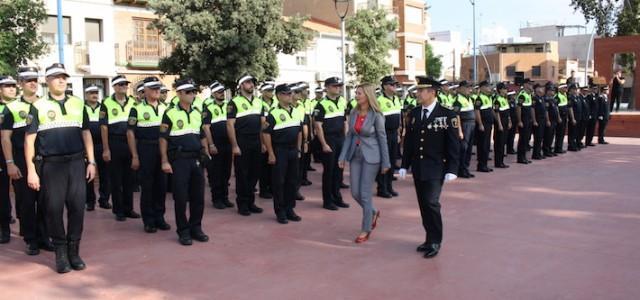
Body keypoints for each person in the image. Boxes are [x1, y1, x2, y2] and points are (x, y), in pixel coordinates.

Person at [25, 63, 96, 273]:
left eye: (64, 77)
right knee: (53, 209)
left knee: (77, 209)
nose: (61, 80)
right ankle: (61, 253)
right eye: (56, 77)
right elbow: (29, 141)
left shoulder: (77, 103)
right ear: (47, 82)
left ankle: (74, 251)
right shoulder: (38, 106)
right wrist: (31, 170)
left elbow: (86, 133)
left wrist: (91, 161)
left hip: (76, 163)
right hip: (52, 166)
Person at [399, 76, 460, 259]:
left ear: (432, 92)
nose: (417, 93)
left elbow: (453, 144)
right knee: (423, 205)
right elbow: (409, 141)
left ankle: (436, 240)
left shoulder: (448, 115)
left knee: (432, 203)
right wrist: (404, 164)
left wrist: (452, 169)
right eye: (417, 90)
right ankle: (428, 238)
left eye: (420, 90)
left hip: (436, 167)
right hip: (418, 166)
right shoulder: (414, 113)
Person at [3, 72, 51, 251]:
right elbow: (5, 138)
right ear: (20, 84)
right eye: (28, 81)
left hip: (46, 159)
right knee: (27, 202)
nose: (32, 83)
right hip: (22, 161)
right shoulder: (12, 108)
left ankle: (44, 237)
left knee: (46, 201)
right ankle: (31, 239)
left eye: (34, 80)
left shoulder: (45, 104)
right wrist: (10, 163)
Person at [159, 78, 210, 246]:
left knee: (198, 197)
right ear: (179, 93)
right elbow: (163, 139)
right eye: (188, 92)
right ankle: (183, 231)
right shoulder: (170, 113)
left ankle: (196, 228)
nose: (192, 94)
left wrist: (206, 152)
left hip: (196, 159)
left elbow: (201, 134)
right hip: (179, 160)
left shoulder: (196, 112)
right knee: (181, 198)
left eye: (194, 91)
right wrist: (165, 161)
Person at [338, 83, 389, 243]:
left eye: (359, 93)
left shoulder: (376, 115)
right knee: (355, 193)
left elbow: (382, 138)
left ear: (367, 95)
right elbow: (349, 136)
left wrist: (386, 162)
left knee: (365, 194)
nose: (356, 95)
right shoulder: (353, 112)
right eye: (356, 93)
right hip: (355, 155)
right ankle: (373, 212)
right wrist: (342, 156)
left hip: (372, 157)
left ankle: (365, 229)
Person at [127, 77, 170, 233]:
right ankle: (149, 220)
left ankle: (160, 217)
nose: (157, 90)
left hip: (163, 151)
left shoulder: (167, 108)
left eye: (158, 87)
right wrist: (135, 156)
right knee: (148, 186)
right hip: (146, 149)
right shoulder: (136, 109)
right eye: (153, 88)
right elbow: (130, 133)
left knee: (162, 185)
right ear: (144, 91)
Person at [100, 75, 140, 221]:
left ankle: (129, 208)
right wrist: (106, 148)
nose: (124, 86)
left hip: (130, 144)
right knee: (116, 179)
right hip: (114, 142)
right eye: (121, 84)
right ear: (114, 87)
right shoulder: (106, 103)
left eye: (125, 84)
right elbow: (103, 127)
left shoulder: (134, 103)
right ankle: (119, 210)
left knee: (129, 179)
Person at [262, 84, 303, 224]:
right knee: (279, 182)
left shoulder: (296, 111)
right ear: (278, 95)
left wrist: (298, 149)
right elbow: (266, 134)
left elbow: (299, 132)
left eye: (290, 93)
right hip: (280, 150)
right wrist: (271, 153)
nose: (290, 96)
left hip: (292, 150)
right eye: (286, 94)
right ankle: (280, 211)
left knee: (292, 181)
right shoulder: (273, 113)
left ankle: (290, 209)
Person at [227, 74, 265, 216]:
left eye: (252, 82)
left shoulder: (258, 102)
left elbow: (262, 124)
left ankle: (251, 201)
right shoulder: (233, 103)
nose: (251, 85)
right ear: (241, 85)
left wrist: (262, 142)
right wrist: (235, 145)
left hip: (256, 140)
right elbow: (230, 125)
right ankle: (242, 203)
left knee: (254, 172)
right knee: (242, 173)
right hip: (242, 140)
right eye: (248, 82)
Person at [314, 77, 350, 211]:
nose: (338, 88)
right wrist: (323, 144)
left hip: (340, 139)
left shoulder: (342, 101)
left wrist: (346, 138)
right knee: (329, 171)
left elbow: (345, 120)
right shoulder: (321, 105)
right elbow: (318, 126)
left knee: (339, 170)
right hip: (328, 140)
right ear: (327, 87)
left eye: (339, 86)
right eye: (335, 86)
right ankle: (327, 200)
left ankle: (337, 197)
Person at [204, 81, 234, 210]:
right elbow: (206, 128)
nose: (221, 94)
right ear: (213, 93)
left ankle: (225, 198)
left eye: (223, 92)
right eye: (219, 92)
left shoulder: (229, 105)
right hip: (216, 144)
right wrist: (211, 144)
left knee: (226, 172)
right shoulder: (208, 107)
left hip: (228, 143)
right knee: (216, 172)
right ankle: (217, 199)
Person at [82, 85, 110, 211]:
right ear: (86, 95)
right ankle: (90, 201)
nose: (94, 95)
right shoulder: (82, 108)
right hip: (87, 146)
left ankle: (104, 200)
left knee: (105, 174)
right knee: (88, 175)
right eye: (91, 93)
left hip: (100, 145)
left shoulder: (103, 107)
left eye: (96, 92)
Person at [376, 76, 401, 198]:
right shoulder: (379, 100)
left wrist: (399, 133)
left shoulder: (397, 99)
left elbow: (399, 117)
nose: (395, 86)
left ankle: (389, 186)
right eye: (392, 84)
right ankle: (382, 188)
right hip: (383, 134)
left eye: (396, 84)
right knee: (384, 162)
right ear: (385, 86)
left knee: (392, 160)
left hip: (394, 133)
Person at [0, 76, 16, 244]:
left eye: (13, 86)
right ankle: (4, 228)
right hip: (1, 156)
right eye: (7, 86)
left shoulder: (21, 107)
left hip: (18, 153)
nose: (11, 89)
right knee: (2, 193)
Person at [451, 81, 475, 178]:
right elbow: (456, 116)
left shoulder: (469, 98)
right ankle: (461, 170)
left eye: (470, 87)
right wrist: (459, 130)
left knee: (469, 148)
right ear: (460, 88)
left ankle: (466, 168)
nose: (469, 89)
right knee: (463, 148)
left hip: (471, 125)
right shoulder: (458, 100)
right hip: (464, 125)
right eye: (467, 87)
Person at [258, 82, 275, 199]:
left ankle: (271, 187)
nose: (271, 93)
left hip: (275, 136)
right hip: (264, 136)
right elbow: (261, 125)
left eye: (272, 90)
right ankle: (263, 190)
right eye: (268, 90)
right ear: (263, 92)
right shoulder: (259, 103)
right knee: (264, 166)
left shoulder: (276, 103)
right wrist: (262, 143)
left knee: (273, 166)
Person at [474, 81, 494, 172]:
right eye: (487, 86)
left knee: (487, 145)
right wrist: (480, 124)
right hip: (483, 124)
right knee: (482, 145)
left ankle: (485, 164)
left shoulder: (488, 97)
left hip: (489, 124)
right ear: (481, 88)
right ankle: (481, 165)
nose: (489, 88)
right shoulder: (479, 98)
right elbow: (477, 111)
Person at [516, 79, 535, 164]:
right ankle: (520, 158)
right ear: (525, 85)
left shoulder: (529, 95)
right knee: (522, 138)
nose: (531, 86)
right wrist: (519, 121)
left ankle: (524, 157)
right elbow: (518, 108)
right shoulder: (522, 95)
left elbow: (530, 108)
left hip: (528, 120)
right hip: (523, 119)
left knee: (526, 138)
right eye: (529, 84)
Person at [493, 83, 511, 168]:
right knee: (499, 143)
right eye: (504, 89)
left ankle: (501, 161)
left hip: (505, 122)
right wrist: (499, 124)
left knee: (503, 142)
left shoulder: (504, 99)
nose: (506, 90)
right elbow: (497, 113)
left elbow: (507, 112)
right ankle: (498, 162)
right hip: (500, 122)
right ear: (500, 90)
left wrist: (509, 121)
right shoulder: (497, 99)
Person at [532, 83, 549, 160]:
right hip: (538, 120)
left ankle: (538, 153)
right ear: (535, 89)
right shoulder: (534, 98)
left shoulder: (541, 98)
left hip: (542, 120)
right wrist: (534, 120)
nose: (541, 89)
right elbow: (532, 109)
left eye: (541, 88)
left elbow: (545, 110)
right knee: (537, 138)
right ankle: (536, 154)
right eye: (539, 88)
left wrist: (547, 120)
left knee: (541, 137)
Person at [543, 83, 559, 158]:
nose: (553, 92)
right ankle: (546, 150)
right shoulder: (546, 99)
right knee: (547, 136)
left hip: (554, 120)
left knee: (552, 135)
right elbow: (546, 111)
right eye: (551, 90)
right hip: (550, 120)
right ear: (547, 91)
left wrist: (558, 117)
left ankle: (549, 149)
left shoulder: (553, 99)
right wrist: (548, 120)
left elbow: (556, 109)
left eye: (553, 90)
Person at [554, 84, 570, 154]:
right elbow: (556, 108)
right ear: (560, 89)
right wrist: (558, 117)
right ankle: (557, 148)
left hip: (564, 117)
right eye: (564, 88)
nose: (566, 89)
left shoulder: (565, 95)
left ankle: (560, 147)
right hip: (560, 117)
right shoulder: (557, 96)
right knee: (559, 133)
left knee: (562, 133)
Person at [567, 84, 581, 151]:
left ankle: (574, 144)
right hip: (573, 118)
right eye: (574, 89)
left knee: (576, 132)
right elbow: (570, 108)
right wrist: (572, 118)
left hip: (578, 117)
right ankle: (571, 145)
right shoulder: (570, 97)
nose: (576, 90)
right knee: (572, 132)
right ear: (571, 90)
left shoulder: (577, 97)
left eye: (576, 89)